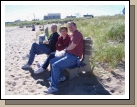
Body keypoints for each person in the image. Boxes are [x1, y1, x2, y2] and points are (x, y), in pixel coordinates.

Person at [44, 22, 84, 94]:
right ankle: (61, 77)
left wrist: (65, 49)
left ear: (75, 26)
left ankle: (54, 87)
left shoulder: (78, 34)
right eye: (69, 27)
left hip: (74, 58)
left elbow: (73, 45)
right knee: (52, 61)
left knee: (55, 65)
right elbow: (64, 38)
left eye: (71, 26)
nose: (70, 28)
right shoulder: (72, 35)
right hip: (68, 55)